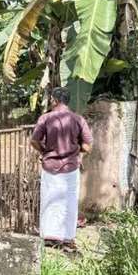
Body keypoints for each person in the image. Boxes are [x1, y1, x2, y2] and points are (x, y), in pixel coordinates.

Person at [30, 87, 93, 252]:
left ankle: (49, 237)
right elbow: (87, 146)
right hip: (70, 169)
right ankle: (67, 238)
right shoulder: (78, 120)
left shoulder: (45, 118)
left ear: (54, 100)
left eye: (51, 99)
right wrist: (75, 151)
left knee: (49, 201)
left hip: (50, 166)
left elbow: (34, 141)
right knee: (69, 203)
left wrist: (45, 151)